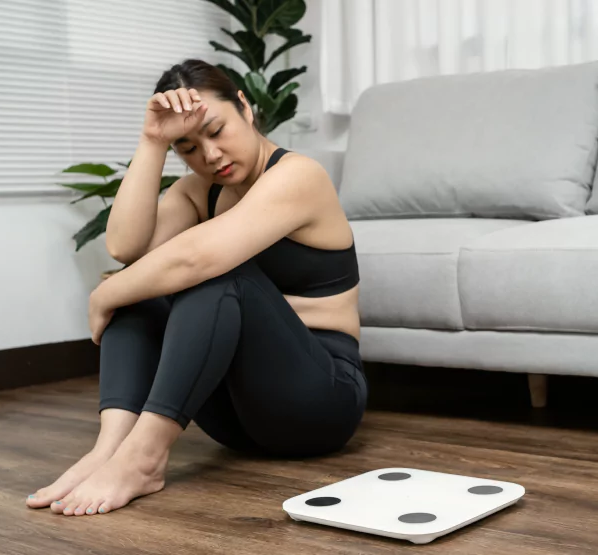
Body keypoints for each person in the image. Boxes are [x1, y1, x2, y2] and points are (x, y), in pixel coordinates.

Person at [26, 59, 367, 516]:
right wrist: (152, 141)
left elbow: (197, 258)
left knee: (216, 274)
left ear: (244, 106)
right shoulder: (196, 191)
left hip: (320, 402)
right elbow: (126, 247)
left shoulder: (298, 175)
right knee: (141, 286)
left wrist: (102, 293)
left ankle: (144, 459)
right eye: (187, 147)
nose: (210, 155)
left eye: (217, 130)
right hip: (235, 421)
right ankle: (110, 449)